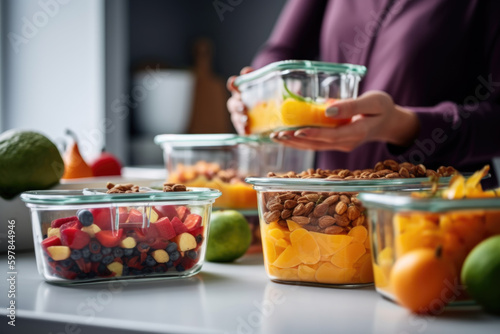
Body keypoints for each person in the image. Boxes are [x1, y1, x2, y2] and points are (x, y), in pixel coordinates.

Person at [227, 0, 500, 182]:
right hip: (332, 204)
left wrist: (405, 126)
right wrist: (256, 94)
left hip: (437, 209)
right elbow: (280, 52)